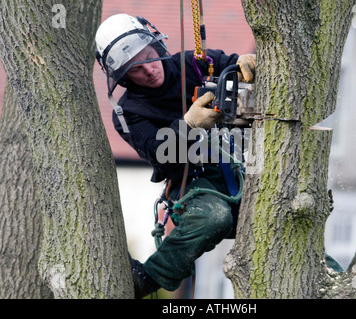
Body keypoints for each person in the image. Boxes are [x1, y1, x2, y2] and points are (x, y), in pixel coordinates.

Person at [95, 14, 256, 298]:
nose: (148, 69)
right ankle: (149, 278)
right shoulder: (129, 112)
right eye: (135, 69)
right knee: (213, 218)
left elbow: (233, 65)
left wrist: (249, 62)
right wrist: (188, 125)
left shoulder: (195, 63)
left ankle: (327, 277)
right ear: (123, 77)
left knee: (285, 211)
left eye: (147, 56)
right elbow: (160, 157)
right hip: (194, 185)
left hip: (241, 170)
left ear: (156, 47)